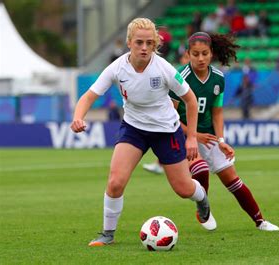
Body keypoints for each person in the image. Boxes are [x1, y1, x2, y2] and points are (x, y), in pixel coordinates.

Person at [71, 18, 216, 247]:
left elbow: (190, 99)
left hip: (167, 131)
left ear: (156, 43)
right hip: (134, 129)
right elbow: (89, 96)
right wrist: (78, 117)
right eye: (139, 42)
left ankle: (202, 199)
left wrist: (190, 138)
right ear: (129, 42)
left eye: (150, 42)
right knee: (116, 182)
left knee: (183, 188)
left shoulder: (164, 68)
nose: (145, 47)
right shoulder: (117, 67)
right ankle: (107, 234)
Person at [144, 32, 279, 231]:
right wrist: (194, 135)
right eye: (196, 54)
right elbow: (169, 116)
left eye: (204, 54)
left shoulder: (218, 78)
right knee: (201, 169)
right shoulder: (180, 78)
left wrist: (222, 140)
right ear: (188, 54)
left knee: (233, 180)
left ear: (211, 54)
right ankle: (203, 209)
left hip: (208, 136)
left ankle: (260, 221)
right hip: (181, 134)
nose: (200, 58)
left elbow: (217, 113)